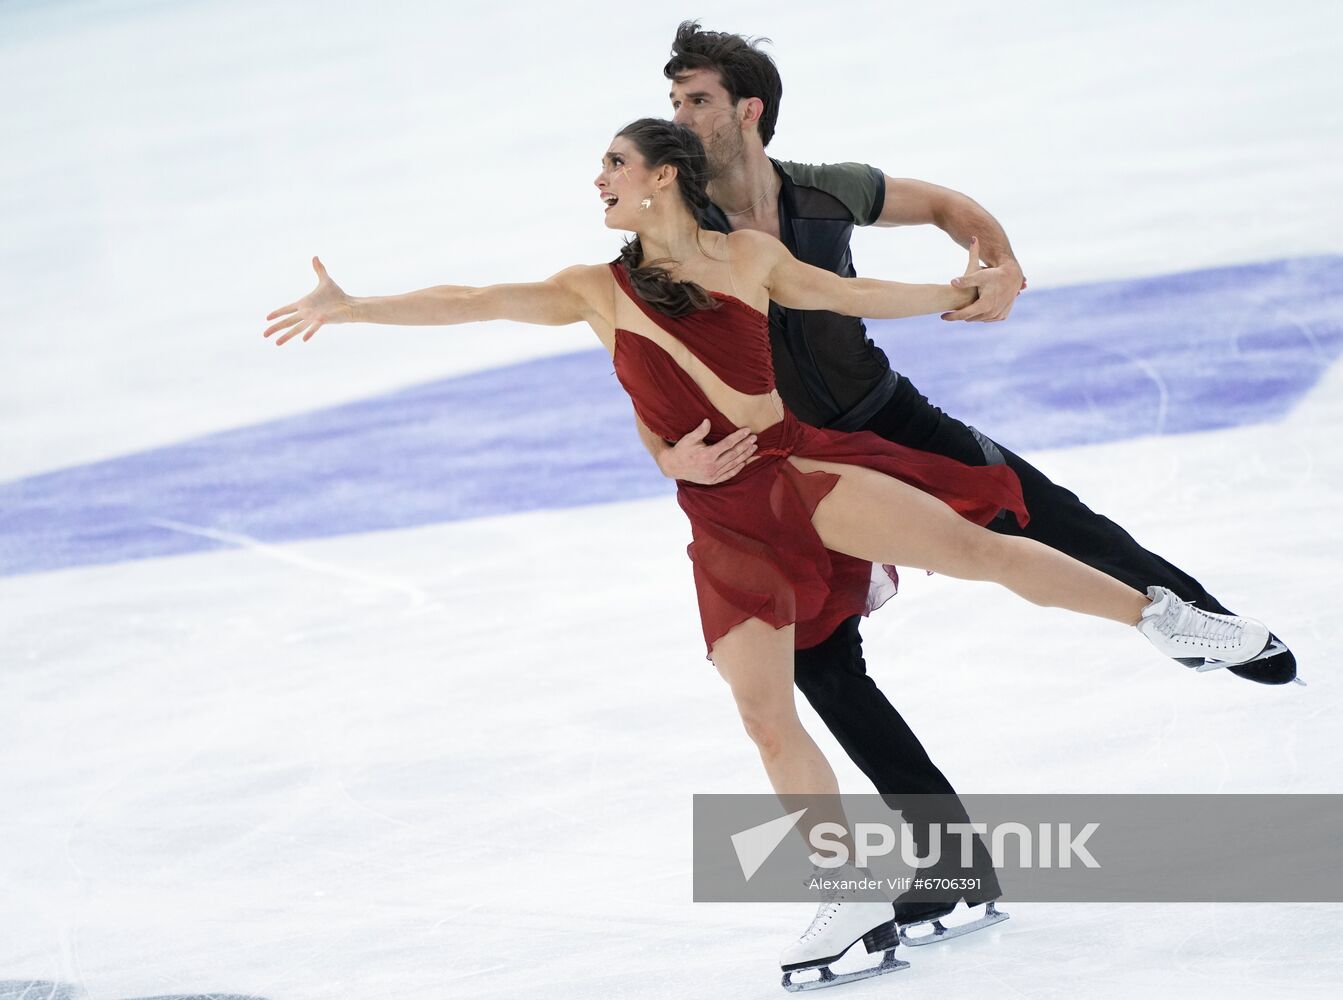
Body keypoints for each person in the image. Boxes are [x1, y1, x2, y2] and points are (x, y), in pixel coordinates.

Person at [262, 118, 1274, 985]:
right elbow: (469, 297)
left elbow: (844, 295)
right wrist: (353, 307)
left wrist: (947, 296)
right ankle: (846, 896)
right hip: (724, 524)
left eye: (612, 165)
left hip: (800, 477)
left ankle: (1167, 617)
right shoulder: (594, 290)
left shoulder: (745, 257)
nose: (599, 183)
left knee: (978, 547)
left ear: (662, 175)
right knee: (763, 712)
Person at [643, 19, 1297, 944]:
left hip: (885, 414)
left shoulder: (828, 191)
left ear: (749, 110)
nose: (679, 115)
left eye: (696, 99)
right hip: (796, 464)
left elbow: (949, 206)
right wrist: (670, 454)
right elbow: (638, 350)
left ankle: (1200, 624)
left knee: (1045, 512)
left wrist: (998, 261)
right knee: (823, 666)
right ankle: (946, 859)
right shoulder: (676, 222)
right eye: (673, 101)